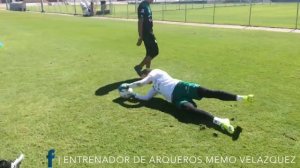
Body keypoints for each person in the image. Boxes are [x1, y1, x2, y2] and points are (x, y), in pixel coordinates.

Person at [123, 69, 254, 134]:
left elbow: (141, 83)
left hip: (182, 86)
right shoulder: (154, 87)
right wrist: (133, 94)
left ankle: (241, 97)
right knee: (190, 111)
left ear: (146, 74)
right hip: (177, 99)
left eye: (143, 77)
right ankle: (220, 121)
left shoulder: (156, 72)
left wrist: (128, 85)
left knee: (209, 92)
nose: (146, 81)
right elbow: (146, 98)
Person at [134, 0, 159, 76]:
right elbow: (140, 21)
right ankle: (139, 67)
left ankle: (148, 73)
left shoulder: (147, 5)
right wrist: (140, 36)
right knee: (155, 51)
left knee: (149, 53)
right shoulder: (143, 6)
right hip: (147, 33)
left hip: (149, 32)